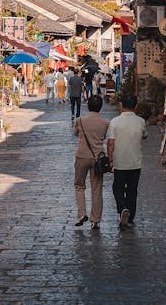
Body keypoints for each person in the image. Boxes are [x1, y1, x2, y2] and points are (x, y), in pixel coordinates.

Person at [106, 95, 147, 230]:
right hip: (135, 162)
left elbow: (111, 143)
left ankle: (122, 208)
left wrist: (110, 159)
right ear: (136, 106)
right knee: (132, 190)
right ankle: (130, 217)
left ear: (121, 105)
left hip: (119, 162)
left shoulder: (115, 122)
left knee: (117, 188)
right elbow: (144, 135)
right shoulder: (140, 121)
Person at [73, 95, 109, 230]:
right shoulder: (105, 123)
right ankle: (95, 220)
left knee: (79, 185)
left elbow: (76, 133)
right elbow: (104, 137)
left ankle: (81, 213)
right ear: (101, 107)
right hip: (98, 158)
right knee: (97, 189)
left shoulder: (80, 120)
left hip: (82, 156)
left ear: (88, 106)